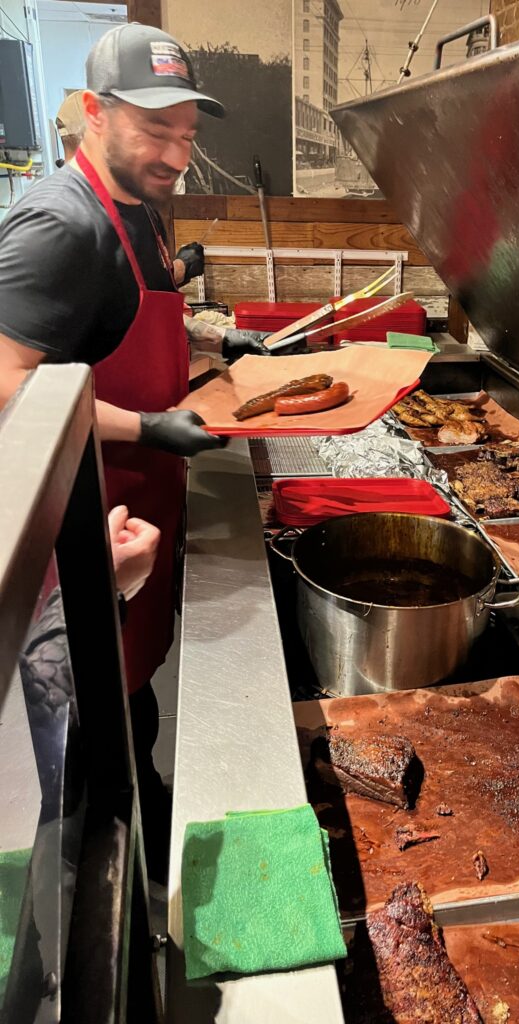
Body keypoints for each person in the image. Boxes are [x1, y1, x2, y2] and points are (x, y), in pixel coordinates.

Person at [0, 22, 238, 883]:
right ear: (94, 113)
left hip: (135, 516)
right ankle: (71, 952)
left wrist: (213, 348)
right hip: (79, 535)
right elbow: (7, 385)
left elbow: (116, 335)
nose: (176, 152)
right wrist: (149, 429)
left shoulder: (137, 206)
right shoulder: (59, 225)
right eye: (154, 129)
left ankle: (148, 824)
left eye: (187, 134)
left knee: (128, 718)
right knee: (79, 769)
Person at [53, 89, 271, 360]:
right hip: (113, 395)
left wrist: (221, 339)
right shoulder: (59, 223)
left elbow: (141, 311)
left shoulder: (138, 206)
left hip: (162, 377)